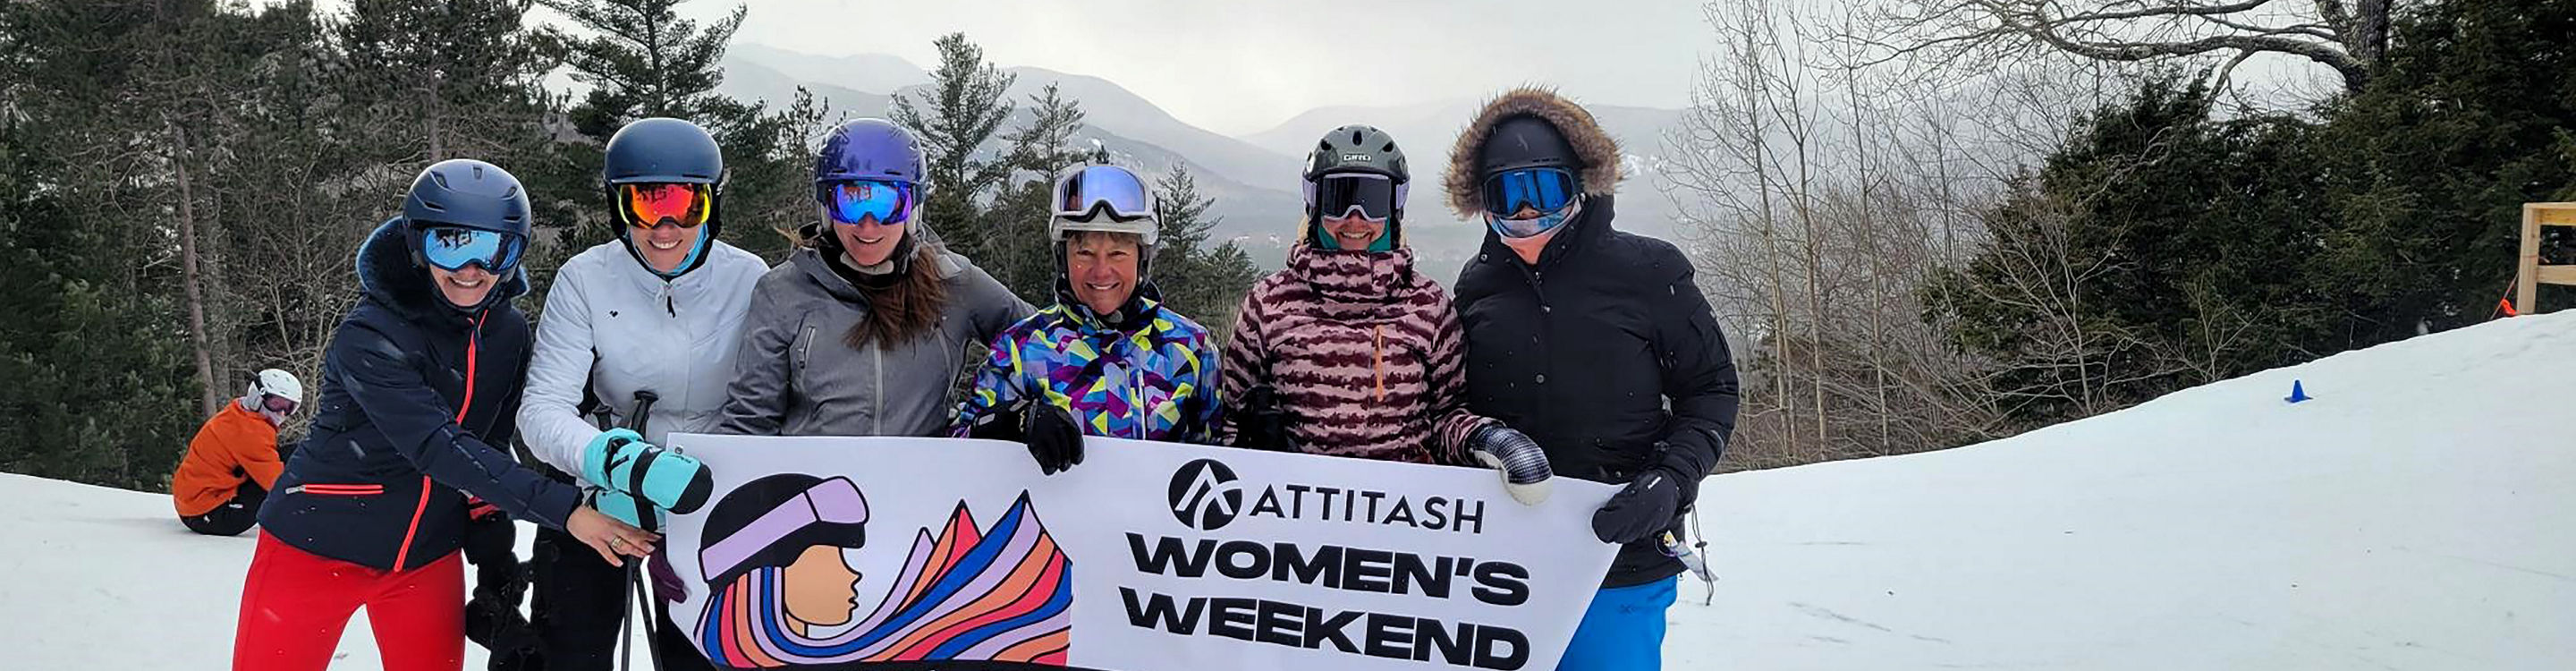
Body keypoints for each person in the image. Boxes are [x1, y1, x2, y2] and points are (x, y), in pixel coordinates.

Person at [233, 159, 660, 671]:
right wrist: (568, 512)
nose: (471, 269)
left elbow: (491, 441)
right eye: (451, 245)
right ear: (417, 244)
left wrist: (494, 555)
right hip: (315, 545)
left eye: (494, 250)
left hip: (424, 557)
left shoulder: (507, 334)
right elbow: (437, 445)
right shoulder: (371, 335)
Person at [1443, 88, 1741, 670]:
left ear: (1580, 184)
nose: (1528, 212)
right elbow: (1453, 406)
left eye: (1545, 189)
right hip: (1504, 563)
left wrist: (1671, 482)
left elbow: (1711, 389)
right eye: (1508, 193)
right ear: (1482, 202)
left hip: (1622, 558)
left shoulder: (1649, 273)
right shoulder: (1477, 288)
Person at [516, 117, 760, 671]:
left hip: (708, 494)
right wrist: (609, 460)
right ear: (618, 208)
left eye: (687, 207)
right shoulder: (586, 278)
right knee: (571, 648)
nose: (665, 228)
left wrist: (714, 478)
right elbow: (544, 406)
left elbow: (772, 398)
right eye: (645, 208)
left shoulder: (748, 279)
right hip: (606, 488)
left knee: (705, 654)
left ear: (711, 207)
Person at [1218, 124, 1552, 503]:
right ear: (1314, 205)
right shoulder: (1271, 302)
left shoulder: (1426, 306)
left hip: (1399, 514)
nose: (1355, 219)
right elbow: (1233, 415)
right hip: (1298, 510)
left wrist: (1489, 439)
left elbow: (1446, 416)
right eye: (1339, 198)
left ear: (1395, 208)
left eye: (1372, 201)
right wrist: (1248, 467)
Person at [716, 118, 1030, 437]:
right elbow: (749, 422)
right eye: (850, 203)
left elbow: (1048, 343)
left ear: (912, 210)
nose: (868, 226)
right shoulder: (784, 292)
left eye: (887, 205)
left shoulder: (955, 283)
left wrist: (1013, 414)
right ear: (827, 207)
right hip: (816, 483)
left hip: (924, 482)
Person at [951, 164, 1224, 471]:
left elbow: (1221, 457)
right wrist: (1014, 421)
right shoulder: (1021, 350)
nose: (1101, 271)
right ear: (1063, 258)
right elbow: (960, 450)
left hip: (1155, 518)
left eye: (1118, 253)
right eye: (1084, 253)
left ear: (1142, 258)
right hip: (1052, 518)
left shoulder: (1189, 348)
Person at [171, 369, 302, 536]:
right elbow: (276, 484)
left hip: (193, 505)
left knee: (294, 454)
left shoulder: (239, 411)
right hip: (211, 516)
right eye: (276, 404)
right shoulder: (252, 431)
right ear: (257, 397)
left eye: (289, 407)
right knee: (289, 473)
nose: (281, 413)